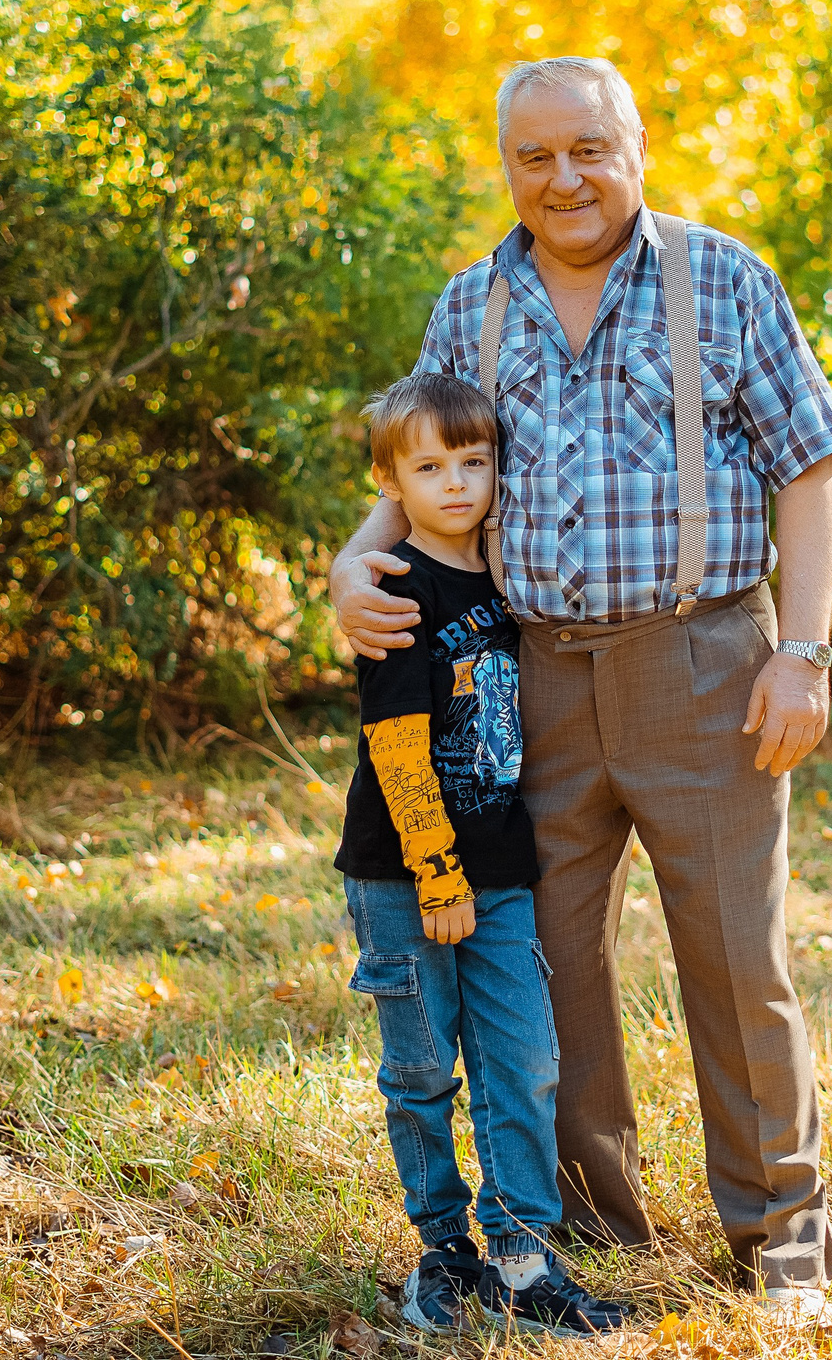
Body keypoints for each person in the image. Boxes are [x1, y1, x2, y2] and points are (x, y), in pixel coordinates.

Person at [330, 56, 832, 1314]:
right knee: (547, 964)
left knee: (734, 955)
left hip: (706, 661)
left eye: (587, 149)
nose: (562, 178)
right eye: (534, 156)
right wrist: (353, 561)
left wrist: (804, 650)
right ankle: (587, 1227)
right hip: (525, 679)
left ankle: (779, 1227)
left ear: (635, 145)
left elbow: (813, 464)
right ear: (506, 165)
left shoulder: (722, 279)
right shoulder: (470, 307)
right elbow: (417, 470)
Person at [335, 371, 630, 1339]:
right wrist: (436, 873)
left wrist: (474, 875)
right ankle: (443, 1247)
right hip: (405, 877)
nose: (457, 483)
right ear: (391, 481)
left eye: (474, 461)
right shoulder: (394, 591)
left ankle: (521, 1255)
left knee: (525, 1062)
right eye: (430, 467)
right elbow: (396, 746)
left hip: (501, 876)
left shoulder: (507, 582)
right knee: (421, 1073)